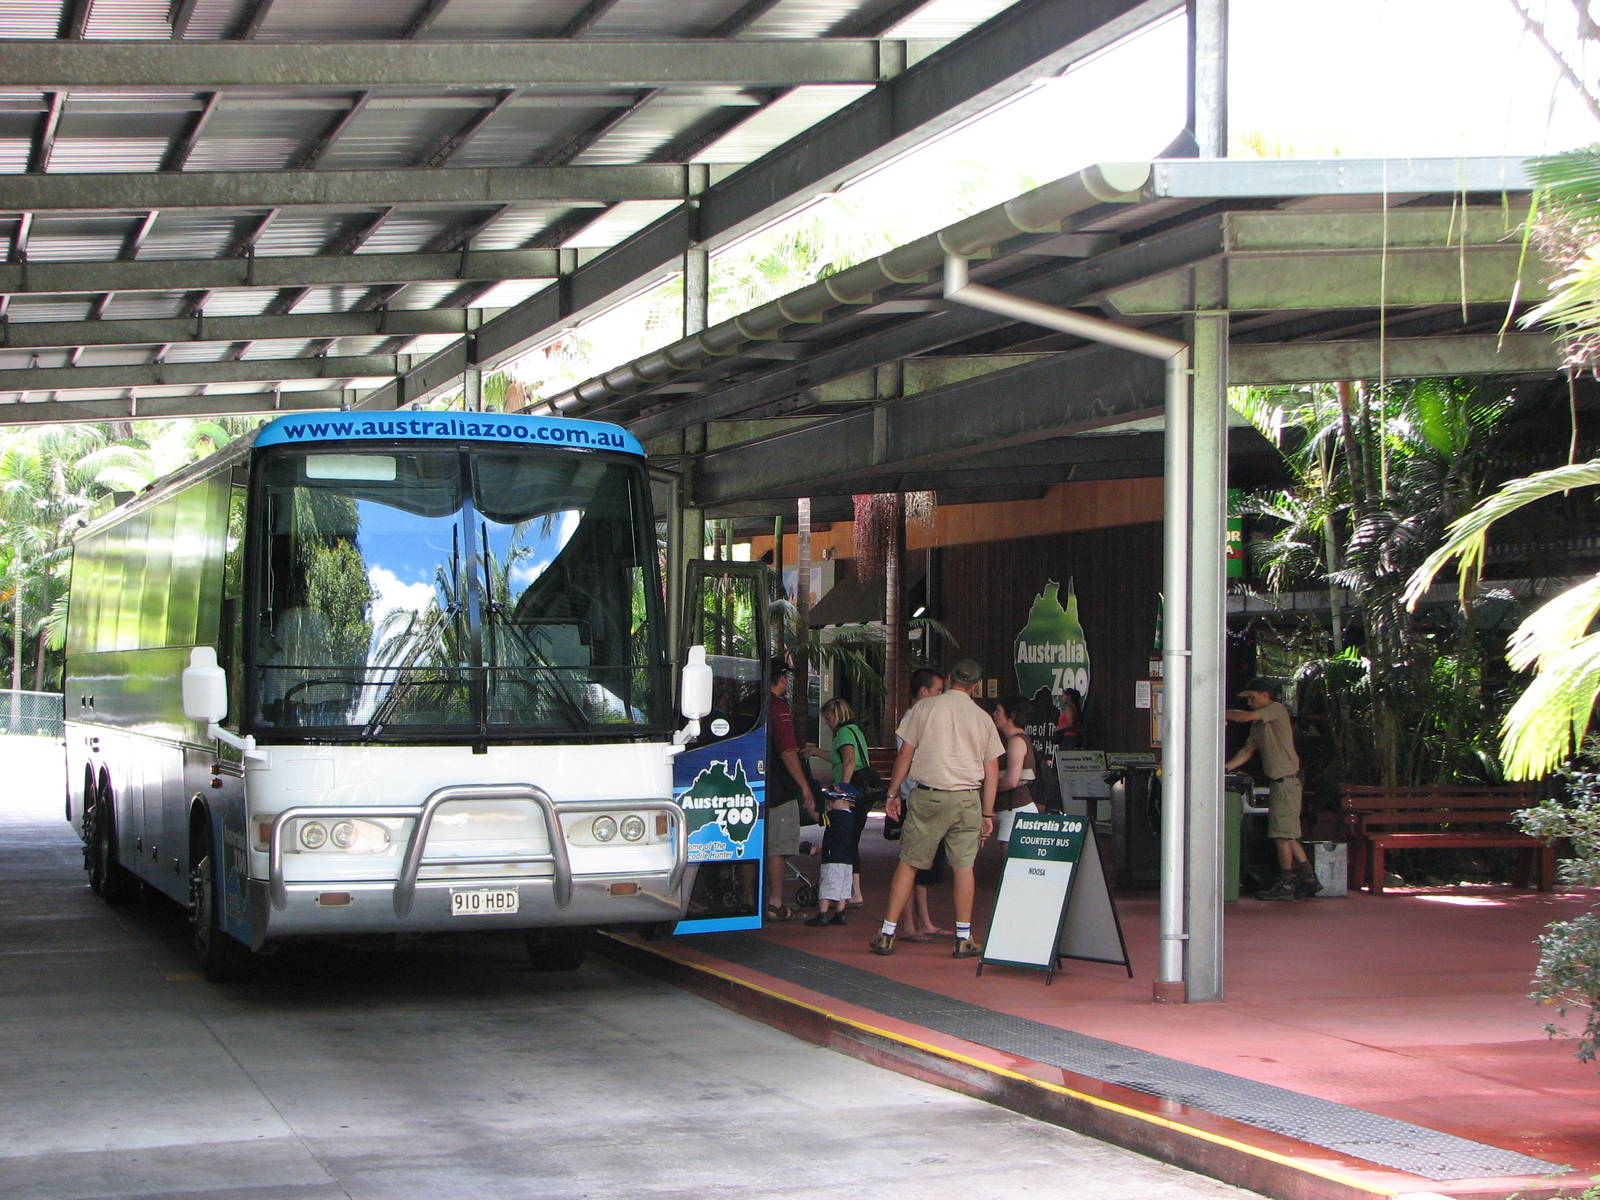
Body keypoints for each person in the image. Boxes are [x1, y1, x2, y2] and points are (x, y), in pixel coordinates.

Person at [870, 658, 1002, 959]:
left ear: (949, 676)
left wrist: (892, 793)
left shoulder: (924, 709)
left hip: (928, 796)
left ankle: (887, 933)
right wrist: (987, 812)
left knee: (909, 862)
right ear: (976, 687)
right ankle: (963, 937)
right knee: (964, 866)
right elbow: (992, 769)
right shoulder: (982, 718)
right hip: (968, 799)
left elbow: (905, 755)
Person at [1226, 676, 1320, 901]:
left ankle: (1287, 882)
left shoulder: (1276, 709)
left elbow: (1247, 716)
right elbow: (1247, 751)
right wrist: (1225, 767)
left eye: (1252, 697)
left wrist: (1219, 712)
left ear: (1265, 695)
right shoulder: (1259, 726)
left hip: (1286, 781)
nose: (1249, 702)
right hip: (1280, 782)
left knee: (1280, 834)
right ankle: (1309, 878)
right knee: (1287, 833)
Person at [898, 667, 950, 942]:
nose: (941, 696)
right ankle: (908, 923)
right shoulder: (913, 719)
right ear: (924, 692)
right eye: (939, 690)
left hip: (921, 795)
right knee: (912, 861)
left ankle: (924, 921)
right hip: (914, 797)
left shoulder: (923, 717)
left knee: (923, 863)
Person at [765, 656, 816, 920]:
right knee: (778, 845)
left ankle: (752, 899)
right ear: (781, 679)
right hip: (780, 789)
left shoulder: (752, 705)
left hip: (756, 785)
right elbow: (787, 750)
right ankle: (775, 902)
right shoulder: (780, 708)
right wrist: (804, 785)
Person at [817, 697, 872, 908]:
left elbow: (848, 761)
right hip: (862, 792)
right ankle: (851, 890)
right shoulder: (854, 731)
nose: (828, 722)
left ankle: (853, 890)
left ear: (836, 715)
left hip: (852, 793)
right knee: (851, 839)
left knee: (846, 841)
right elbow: (839, 758)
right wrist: (815, 752)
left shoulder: (843, 733)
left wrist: (842, 791)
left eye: (829, 718)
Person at [802, 788, 856, 926]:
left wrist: (810, 809)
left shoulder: (834, 815)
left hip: (832, 859)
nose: (829, 805)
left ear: (844, 801)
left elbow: (818, 818)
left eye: (833, 801)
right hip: (847, 860)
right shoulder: (851, 817)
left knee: (827, 885)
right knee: (843, 888)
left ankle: (823, 914)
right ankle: (840, 913)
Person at [989, 696, 1038, 846]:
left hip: (1015, 809)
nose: (994, 714)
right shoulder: (1016, 740)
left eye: (998, 711)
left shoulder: (1016, 742)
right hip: (1012, 808)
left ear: (1011, 715)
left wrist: (989, 789)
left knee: (1011, 862)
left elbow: (1011, 780)